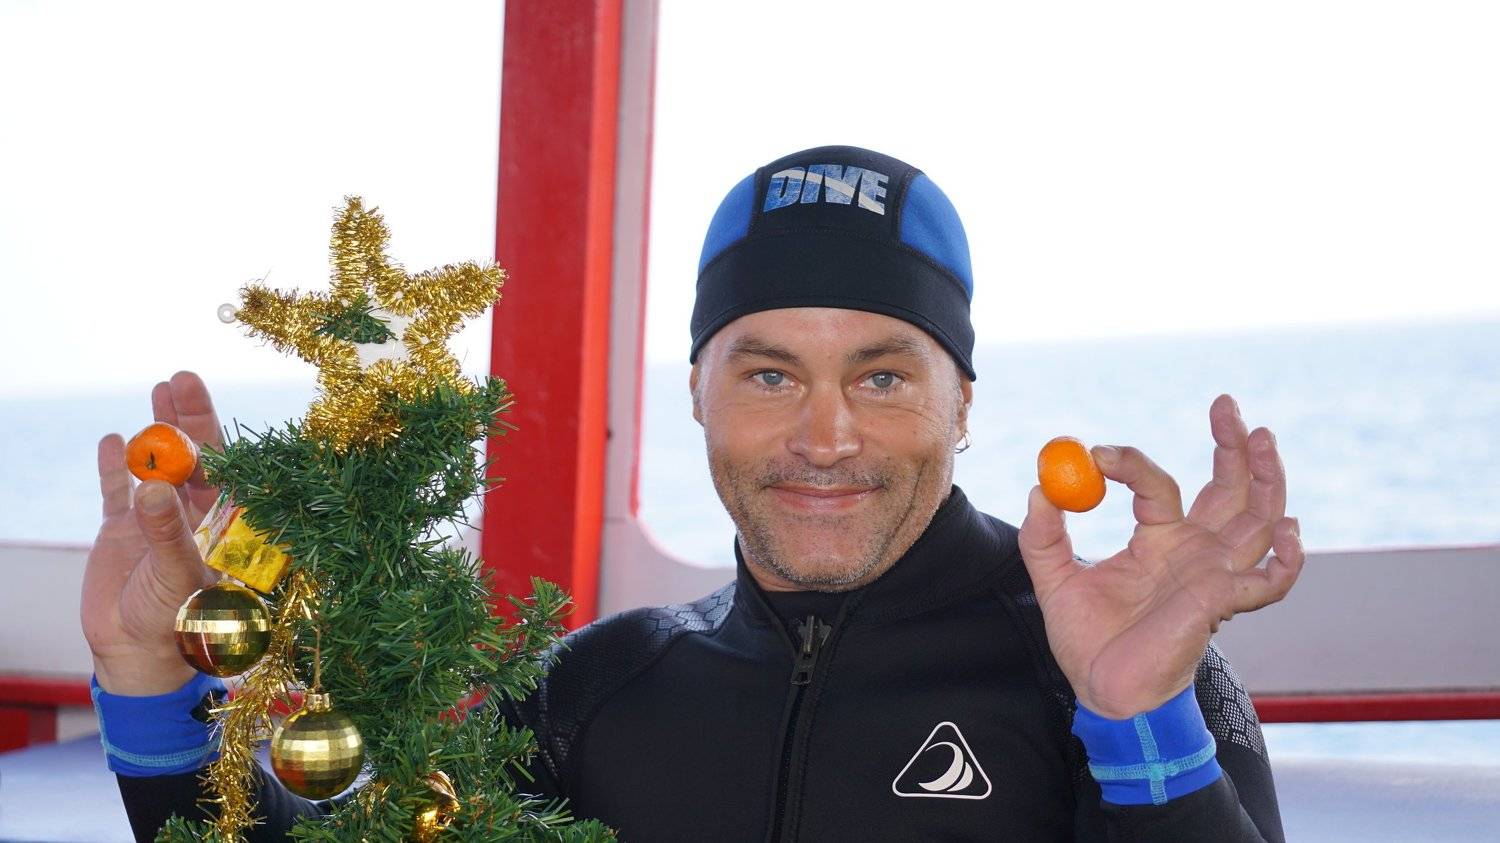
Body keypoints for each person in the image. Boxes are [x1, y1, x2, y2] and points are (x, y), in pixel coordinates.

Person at [85, 145, 1300, 842]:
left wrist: (1138, 725)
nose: (824, 437)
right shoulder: (592, 690)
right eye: (769, 374)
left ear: (963, 403)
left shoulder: (1125, 674)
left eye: (882, 376)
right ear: (698, 394)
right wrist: (147, 681)